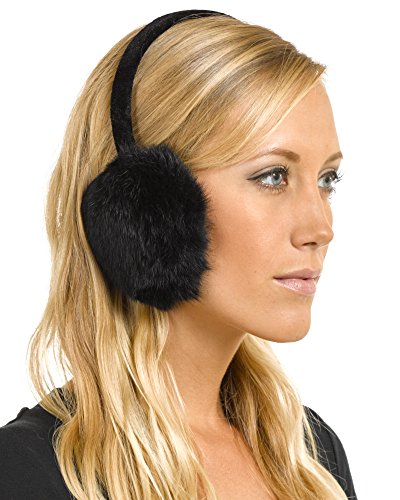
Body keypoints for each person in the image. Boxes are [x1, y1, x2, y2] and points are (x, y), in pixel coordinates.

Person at [0, 9, 357, 500]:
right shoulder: (26, 472)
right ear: (149, 209)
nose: (321, 228)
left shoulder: (311, 456)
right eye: (273, 176)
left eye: (327, 179)